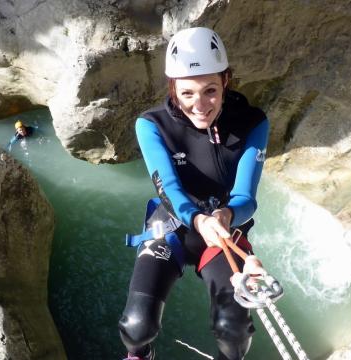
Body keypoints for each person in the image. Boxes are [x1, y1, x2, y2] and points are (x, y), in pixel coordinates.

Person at [119, 27, 270, 360]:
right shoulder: (152, 125)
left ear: (226, 81)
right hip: (173, 227)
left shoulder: (252, 123)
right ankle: (139, 354)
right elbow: (169, 189)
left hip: (224, 233)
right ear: (173, 87)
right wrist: (199, 219)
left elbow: (246, 196)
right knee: (135, 325)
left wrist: (227, 215)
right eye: (186, 93)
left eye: (210, 91)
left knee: (233, 331)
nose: (199, 106)